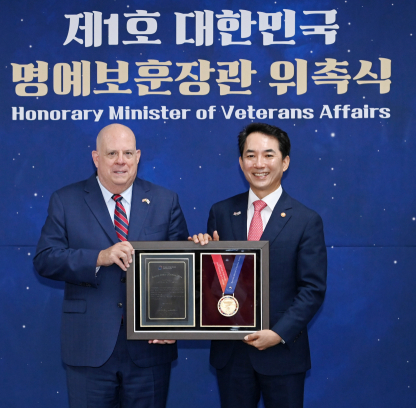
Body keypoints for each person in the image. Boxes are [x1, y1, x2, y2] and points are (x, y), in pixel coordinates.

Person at [33, 123, 189, 408]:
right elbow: (45, 259)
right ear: (96, 158)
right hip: (88, 345)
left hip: (150, 348)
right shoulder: (66, 200)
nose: (121, 161)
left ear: (138, 156)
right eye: (112, 153)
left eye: (128, 153)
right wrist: (98, 258)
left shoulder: (165, 201)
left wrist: (174, 324)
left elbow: (182, 273)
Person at [192, 123, 327, 408]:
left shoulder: (306, 220)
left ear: (285, 161)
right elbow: (211, 285)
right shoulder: (221, 212)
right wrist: (199, 255)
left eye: (268, 155)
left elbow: (312, 289)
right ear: (241, 162)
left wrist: (278, 334)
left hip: (282, 352)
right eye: (250, 155)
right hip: (231, 354)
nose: (259, 164)